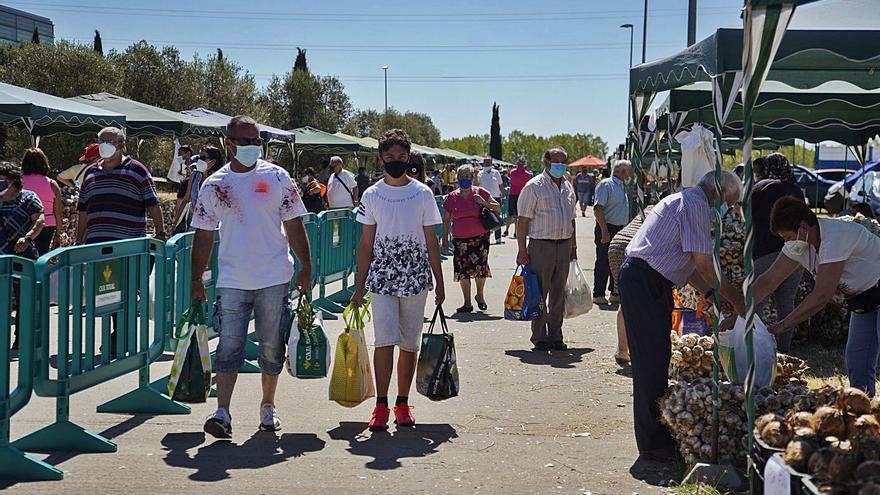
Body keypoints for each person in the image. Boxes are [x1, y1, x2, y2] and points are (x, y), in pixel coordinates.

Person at [190, 115, 312, 438]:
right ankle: (222, 413)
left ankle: (267, 406)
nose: (252, 147)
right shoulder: (214, 185)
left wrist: (306, 267)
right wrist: (195, 281)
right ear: (229, 144)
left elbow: (294, 224)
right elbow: (202, 236)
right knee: (229, 346)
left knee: (272, 348)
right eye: (245, 142)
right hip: (232, 281)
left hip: (273, 278)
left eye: (257, 141)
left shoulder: (278, 177)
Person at [620, 170, 745, 460]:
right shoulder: (697, 205)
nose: (726, 208)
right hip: (644, 281)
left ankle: (656, 435)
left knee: (658, 356)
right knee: (651, 361)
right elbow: (703, 264)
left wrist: (713, 295)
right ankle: (652, 443)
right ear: (719, 193)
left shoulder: (688, 201)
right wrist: (736, 299)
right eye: (730, 201)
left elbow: (688, 265)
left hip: (650, 281)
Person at [351, 128, 445, 432]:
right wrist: (358, 284)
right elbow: (366, 243)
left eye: (402, 157)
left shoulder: (422, 193)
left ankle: (402, 403)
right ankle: (381, 405)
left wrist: (440, 283)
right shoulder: (372, 195)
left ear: (409, 158)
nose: (396, 161)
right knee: (385, 340)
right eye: (390, 156)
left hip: (416, 278)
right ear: (381, 159)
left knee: (408, 343)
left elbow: (432, 241)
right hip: (381, 280)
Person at [753, 197, 880, 396]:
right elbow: (768, 280)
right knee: (857, 362)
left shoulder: (835, 236)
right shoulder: (799, 244)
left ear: (803, 227)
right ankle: (863, 412)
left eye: (787, 237)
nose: (786, 243)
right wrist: (739, 312)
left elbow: (822, 295)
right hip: (864, 300)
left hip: (876, 288)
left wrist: (782, 326)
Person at [516, 147, 577, 351]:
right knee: (539, 292)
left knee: (559, 294)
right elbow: (522, 220)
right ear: (546, 162)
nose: (560, 164)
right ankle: (539, 336)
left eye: (564, 161)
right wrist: (522, 249)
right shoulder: (534, 186)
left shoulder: (568, 187)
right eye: (556, 161)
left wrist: (573, 245)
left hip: (564, 244)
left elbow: (572, 219)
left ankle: (556, 335)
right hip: (541, 245)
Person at [750, 153, 806, 353]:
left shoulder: (764, 186)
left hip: (767, 251)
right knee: (786, 302)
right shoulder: (796, 189)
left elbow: (745, 212)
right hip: (796, 253)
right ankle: (784, 350)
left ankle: (754, 348)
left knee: (758, 300)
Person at [76, 127, 165, 245]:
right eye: (102, 141)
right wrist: (78, 241)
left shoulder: (138, 170)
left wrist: (160, 234)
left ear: (121, 145)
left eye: (109, 142)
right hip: (95, 247)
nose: (104, 145)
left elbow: (153, 205)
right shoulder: (90, 172)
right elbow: (83, 210)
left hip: (128, 248)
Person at [441, 164, 499, 313]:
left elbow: (497, 207)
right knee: (463, 271)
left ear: (472, 178)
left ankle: (480, 296)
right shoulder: (452, 197)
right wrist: (445, 241)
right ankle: (467, 303)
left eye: (467, 177)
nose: (464, 180)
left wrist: (483, 202)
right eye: (461, 177)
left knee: (480, 269)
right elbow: (446, 220)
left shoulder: (480, 193)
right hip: (460, 240)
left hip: (480, 238)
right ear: (457, 179)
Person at [0, 162, 44, 351]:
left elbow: (39, 220)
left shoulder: (28, 198)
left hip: (22, 254)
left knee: (23, 299)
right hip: (1, 255)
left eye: (3, 180)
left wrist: (27, 238)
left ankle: (22, 338)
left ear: (13, 181)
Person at [607, 205, 653, 366]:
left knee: (624, 300)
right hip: (632, 249)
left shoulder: (649, 209)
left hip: (617, 245)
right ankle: (634, 348)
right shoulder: (665, 211)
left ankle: (622, 349)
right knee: (635, 302)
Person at [593, 160, 632, 305]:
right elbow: (598, 208)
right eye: (628, 171)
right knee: (603, 261)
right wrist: (604, 230)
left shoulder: (621, 186)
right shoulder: (606, 184)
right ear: (622, 172)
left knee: (616, 262)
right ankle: (598, 293)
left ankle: (614, 292)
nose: (630, 174)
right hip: (607, 227)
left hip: (619, 229)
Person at [170, 146, 223, 234]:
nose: (199, 161)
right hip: (194, 225)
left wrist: (205, 174)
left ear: (213, 162)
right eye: (198, 158)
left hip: (214, 226)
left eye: (203, 158)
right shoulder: (194, 175)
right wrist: (174, 224)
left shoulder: (220, 179)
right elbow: (185, 200)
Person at [21, 148, 62, 255]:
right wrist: (58, 234)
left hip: (24, 224)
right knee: (43, 254)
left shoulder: (18, 183)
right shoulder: (52, 184)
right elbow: (58, 212)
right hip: (48, 224)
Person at [478, 157, 504, 244]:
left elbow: (500, 185)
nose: (487, 164)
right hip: (484, 199)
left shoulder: (496, 173)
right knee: (485, 218)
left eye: (488, 162)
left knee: (496, 217)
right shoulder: (480, 174)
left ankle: (498, 237)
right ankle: (486, 237)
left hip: (495, 197)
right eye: (485, 162)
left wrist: (503, 196)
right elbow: (476, 185)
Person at [505, 159, 532, 238]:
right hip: (521, 194)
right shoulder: (527, 174)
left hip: (513, 194)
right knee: (518, 215)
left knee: (510, 214)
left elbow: (512, 181)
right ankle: (515, 232)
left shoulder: (512, 172)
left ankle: (507, 230)